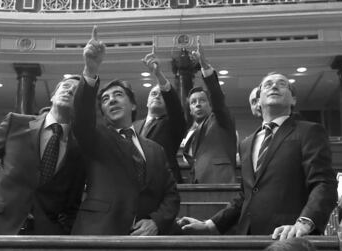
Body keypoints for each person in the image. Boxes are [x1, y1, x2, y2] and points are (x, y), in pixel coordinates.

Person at [177, 72, 338, 240]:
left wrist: (305, 222)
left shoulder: (309, 131)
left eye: (282, 84)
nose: (274, 86)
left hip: (290, 238)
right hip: (248, 238)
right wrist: (211, 224)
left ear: (293, 100)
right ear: (258, 100)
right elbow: (246, 196)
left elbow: (323, 183)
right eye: (267, 85)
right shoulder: (247, 144)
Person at [71, 26, 180, 235]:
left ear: (132, 105)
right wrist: (91, 70)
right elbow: (81, 116)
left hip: (145, 238)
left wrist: (156, 222)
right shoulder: (96, 136)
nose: (111, 99)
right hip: (99, 234)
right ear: (102, 111)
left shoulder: (155, 149)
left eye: (118, 95)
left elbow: (171, 194)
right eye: (105, 99)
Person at [0, 75, 86, 235]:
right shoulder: (16, 123)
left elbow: (72, 203)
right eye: (66, 86)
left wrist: (63, 231)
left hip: (43, 236)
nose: (69, 90)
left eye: (77, 91)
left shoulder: (79, 149)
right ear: (53, 96)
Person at [182, 37, 237, 184]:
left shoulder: (220, 119)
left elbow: (217, 96)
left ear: (210, 104)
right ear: (190, 110)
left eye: (202, 100)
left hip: (221, 183)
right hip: (198, 187)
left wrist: (204, 65)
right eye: (193, 102)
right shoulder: (191, 131)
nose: (198, 104)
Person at [133, 46, 186, 183]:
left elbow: (175, 106)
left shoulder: (173, 123)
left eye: (161, 94)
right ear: (147, 102)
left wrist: (158, 75)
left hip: (164, 183)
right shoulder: (134, 126)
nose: (157, 96)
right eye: (153, 93)